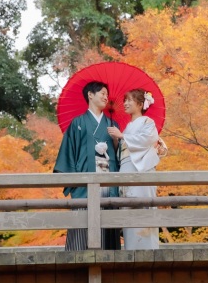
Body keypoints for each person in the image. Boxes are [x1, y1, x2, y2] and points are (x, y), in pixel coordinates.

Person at [54, 81, 121, 251]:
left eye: (107, 94)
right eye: (103, 93)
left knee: (107, 224)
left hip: (107, 180)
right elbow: (67, 154)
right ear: (90, 95)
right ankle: (76, 265)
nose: (106, 97)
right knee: (82, 226)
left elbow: (121, 157)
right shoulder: (78, 123)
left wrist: (115, 141)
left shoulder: (113, 125)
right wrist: (74, 180)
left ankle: (109, 266)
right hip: (84, 183)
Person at [107, 88, 161, 250]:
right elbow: (122, 152)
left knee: (142, 205)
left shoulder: (147, 122)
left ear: (140, 104)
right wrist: (116, 141)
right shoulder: (128, 127)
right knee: (127, 206)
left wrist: (122, 136)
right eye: (125, 100)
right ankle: (131, 248)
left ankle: (147, 249)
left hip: (140, 169)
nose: (125, 103)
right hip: (126, 168)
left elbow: (147, 139)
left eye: (129, 100)